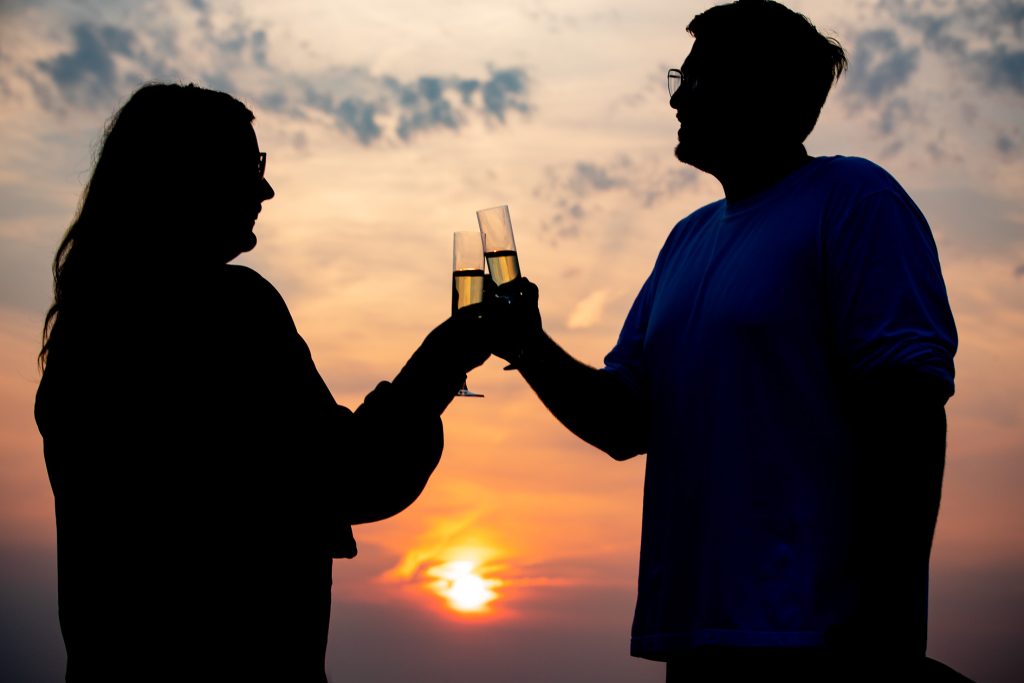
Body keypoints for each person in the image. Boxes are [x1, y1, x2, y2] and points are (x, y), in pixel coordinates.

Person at [483, 1, 965, 680]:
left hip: (818, 639)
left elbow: (908, 409)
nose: (677, 97)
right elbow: (624, 420)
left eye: (696, 78)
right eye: (679, 77)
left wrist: (888, 633)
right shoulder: (687, 238)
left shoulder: (855, 199)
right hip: (699, 638)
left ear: (759, 91)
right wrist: (529, 345)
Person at [34, 82, 488, 682]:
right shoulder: (230, 311)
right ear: (188, 177)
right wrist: (442, 359)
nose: (265, 188)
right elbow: (353, 475)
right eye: (249, 165)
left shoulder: (86, 332)